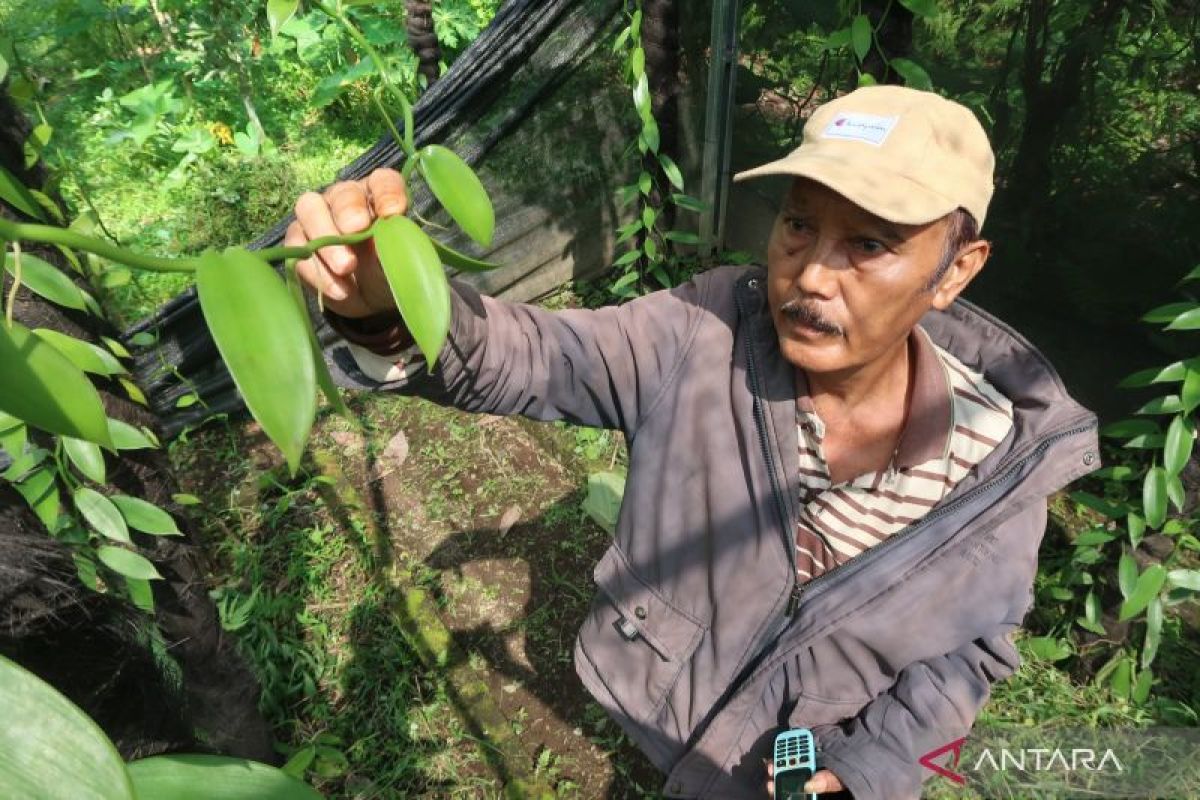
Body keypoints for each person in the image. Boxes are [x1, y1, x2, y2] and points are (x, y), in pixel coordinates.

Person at [287, 85, 1101, 799]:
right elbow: (541, 357)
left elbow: (970, 652)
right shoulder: (706, 333)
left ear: (957, 271)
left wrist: (874, 772)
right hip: (649, 699)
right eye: (798, 224)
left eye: (870, 244)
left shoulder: (1001, 471)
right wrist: (387, 311)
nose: (812, 275)